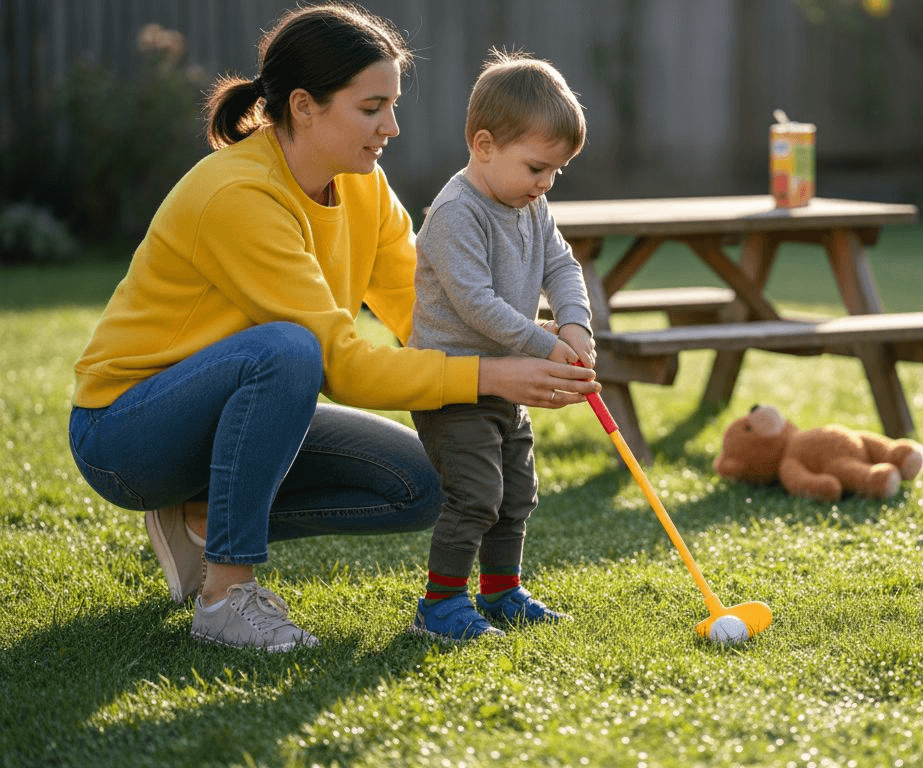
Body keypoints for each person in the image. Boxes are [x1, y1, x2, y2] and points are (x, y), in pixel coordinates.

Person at [66, 6, 599, 653]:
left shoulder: (362, 187)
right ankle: (226, 596)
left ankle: (202, 516)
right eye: (372, 108)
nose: (392, 127)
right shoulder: (239, 195)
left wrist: (531, 346)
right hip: (125, 434)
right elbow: (337, 363)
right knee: (289, 350)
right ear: (304, 106)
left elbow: (425, 312)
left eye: (392, 106)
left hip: (235, 408)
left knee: (432, 482)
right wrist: (493, 374)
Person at [407, 50, 595, 642]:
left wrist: (575, 324)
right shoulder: (456, 214)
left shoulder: (531, 204)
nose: (546, 184)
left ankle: (501, 592)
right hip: (454, 384)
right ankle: (440, 604)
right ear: (484, 145)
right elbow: (475, 304)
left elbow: (562, 265)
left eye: (555, 172)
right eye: (537, 167)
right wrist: (542, 344)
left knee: (517, 493)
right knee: (476, 496)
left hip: (506, 380)